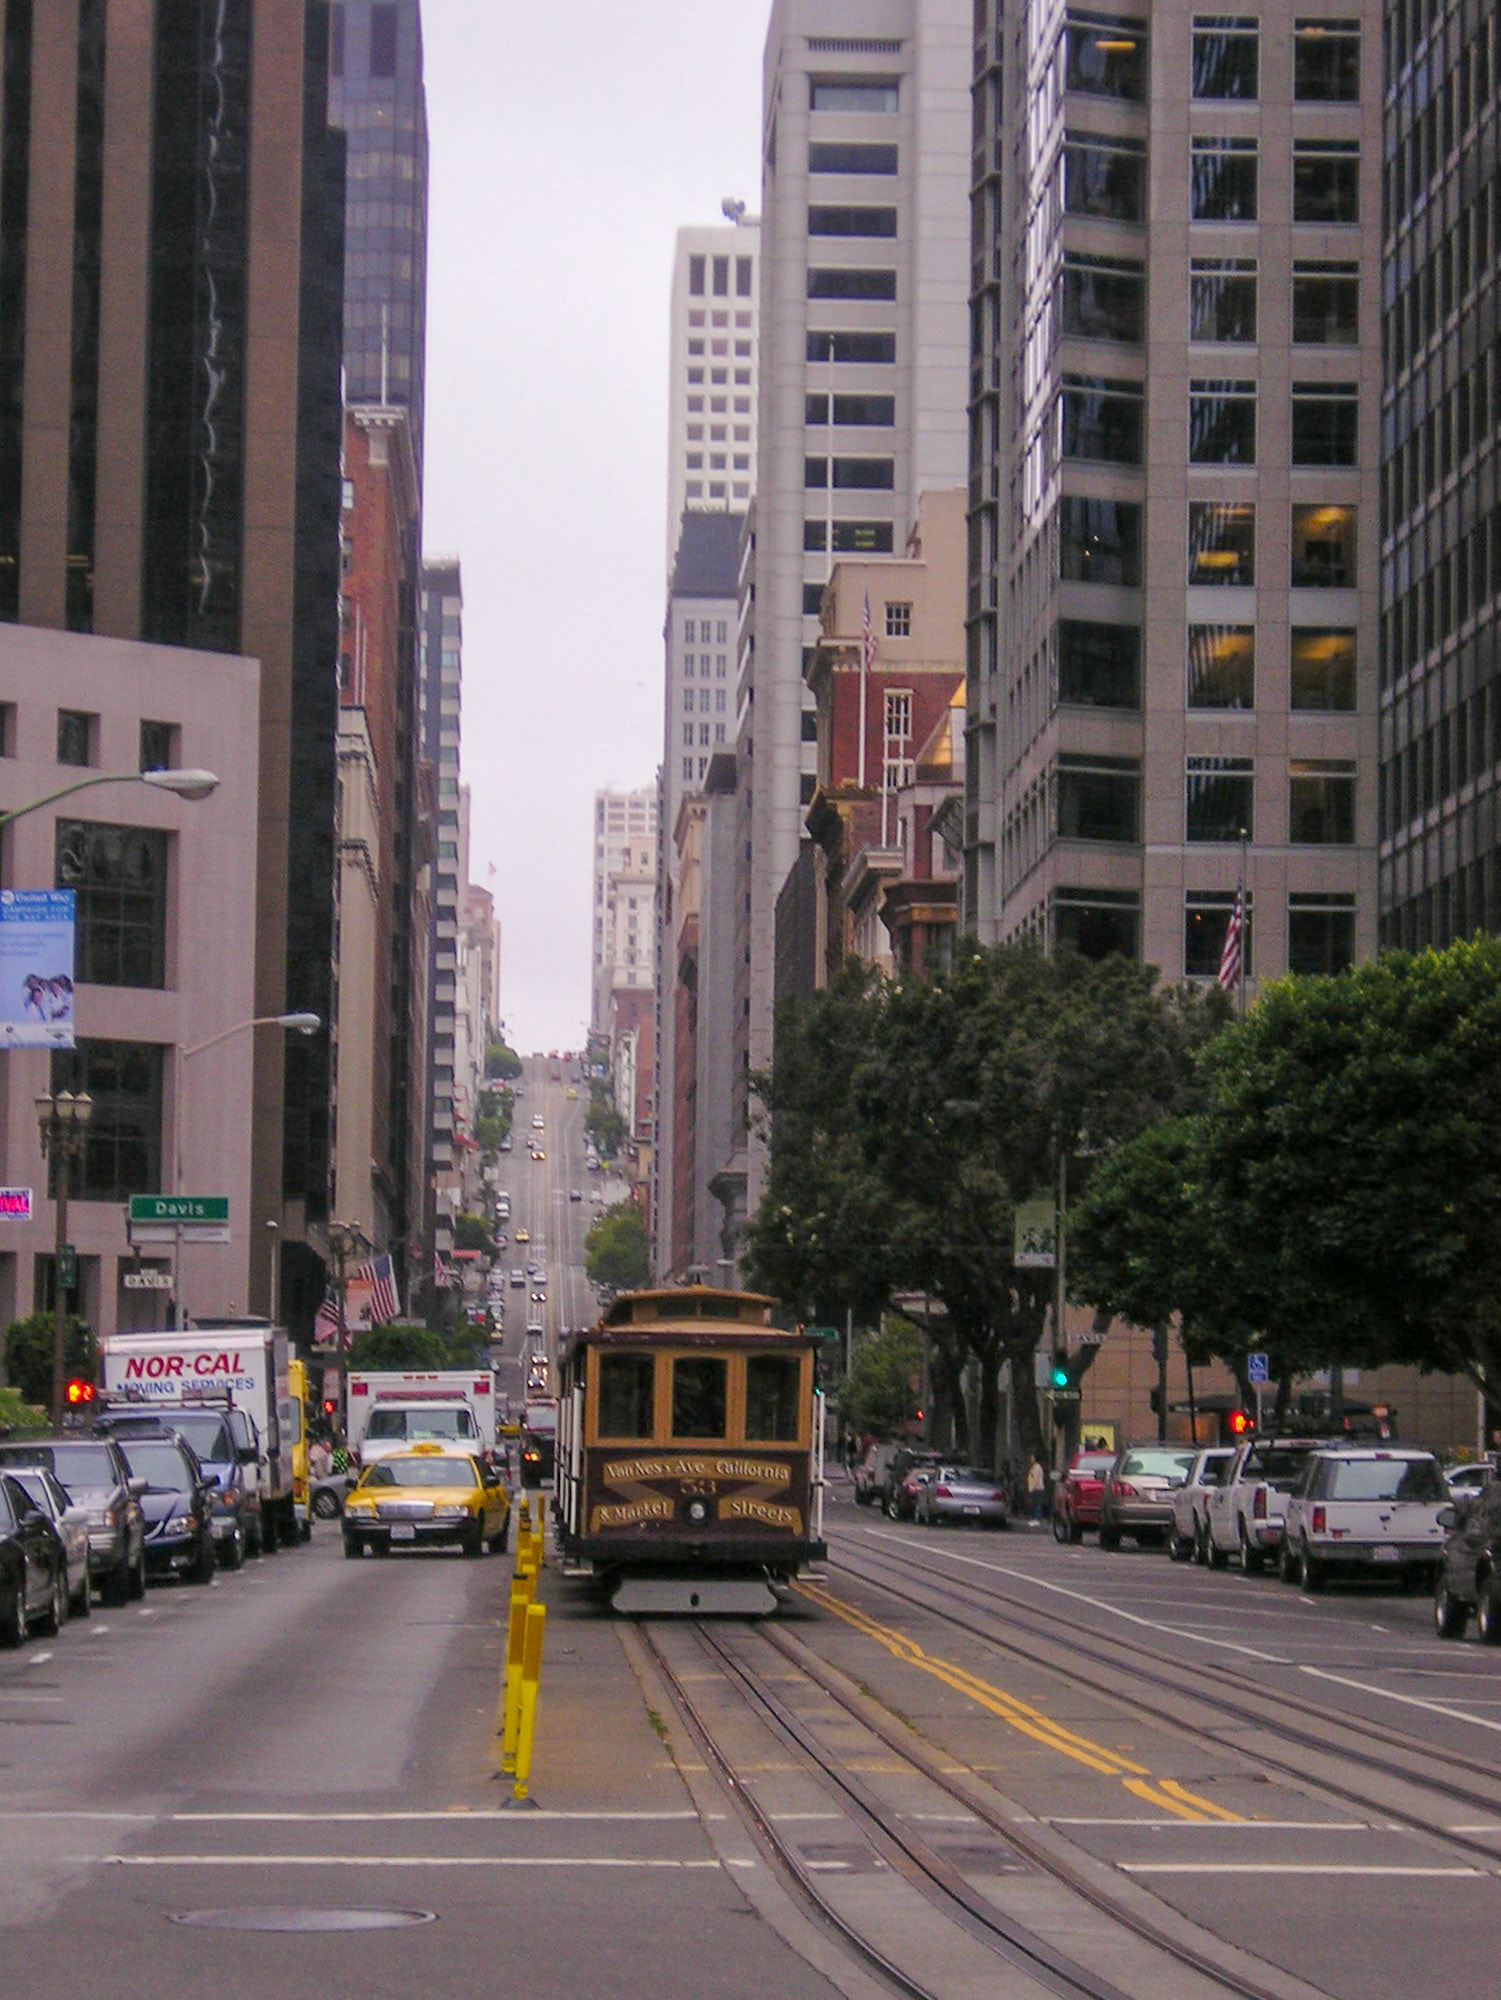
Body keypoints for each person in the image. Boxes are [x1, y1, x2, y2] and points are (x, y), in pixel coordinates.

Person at [1026, 1455, 1048, 1524]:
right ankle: (1036, 1518)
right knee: (1036, 1504)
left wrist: (1032, 1488)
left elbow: (1036, 1478)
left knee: (1037, 1504)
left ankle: (1038, 1519)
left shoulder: (1037, 1467)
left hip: (1037, 1488)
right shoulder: (1034, 1467)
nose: (1031, 1459)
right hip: (1034, 1488)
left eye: (1032, 1458)